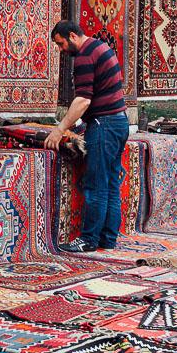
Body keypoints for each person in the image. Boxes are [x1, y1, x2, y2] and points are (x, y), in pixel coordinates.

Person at [46, 20, 129, 252]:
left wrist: (60, 128)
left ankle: (89, 239)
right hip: (119, 122)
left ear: (72, 36)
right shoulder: (100, 47)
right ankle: (108, 239)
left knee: (96, 185)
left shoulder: (84, 56)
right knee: (111, 183)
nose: (62, 50)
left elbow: (83, 100)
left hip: (104, 125)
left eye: (61, 44)